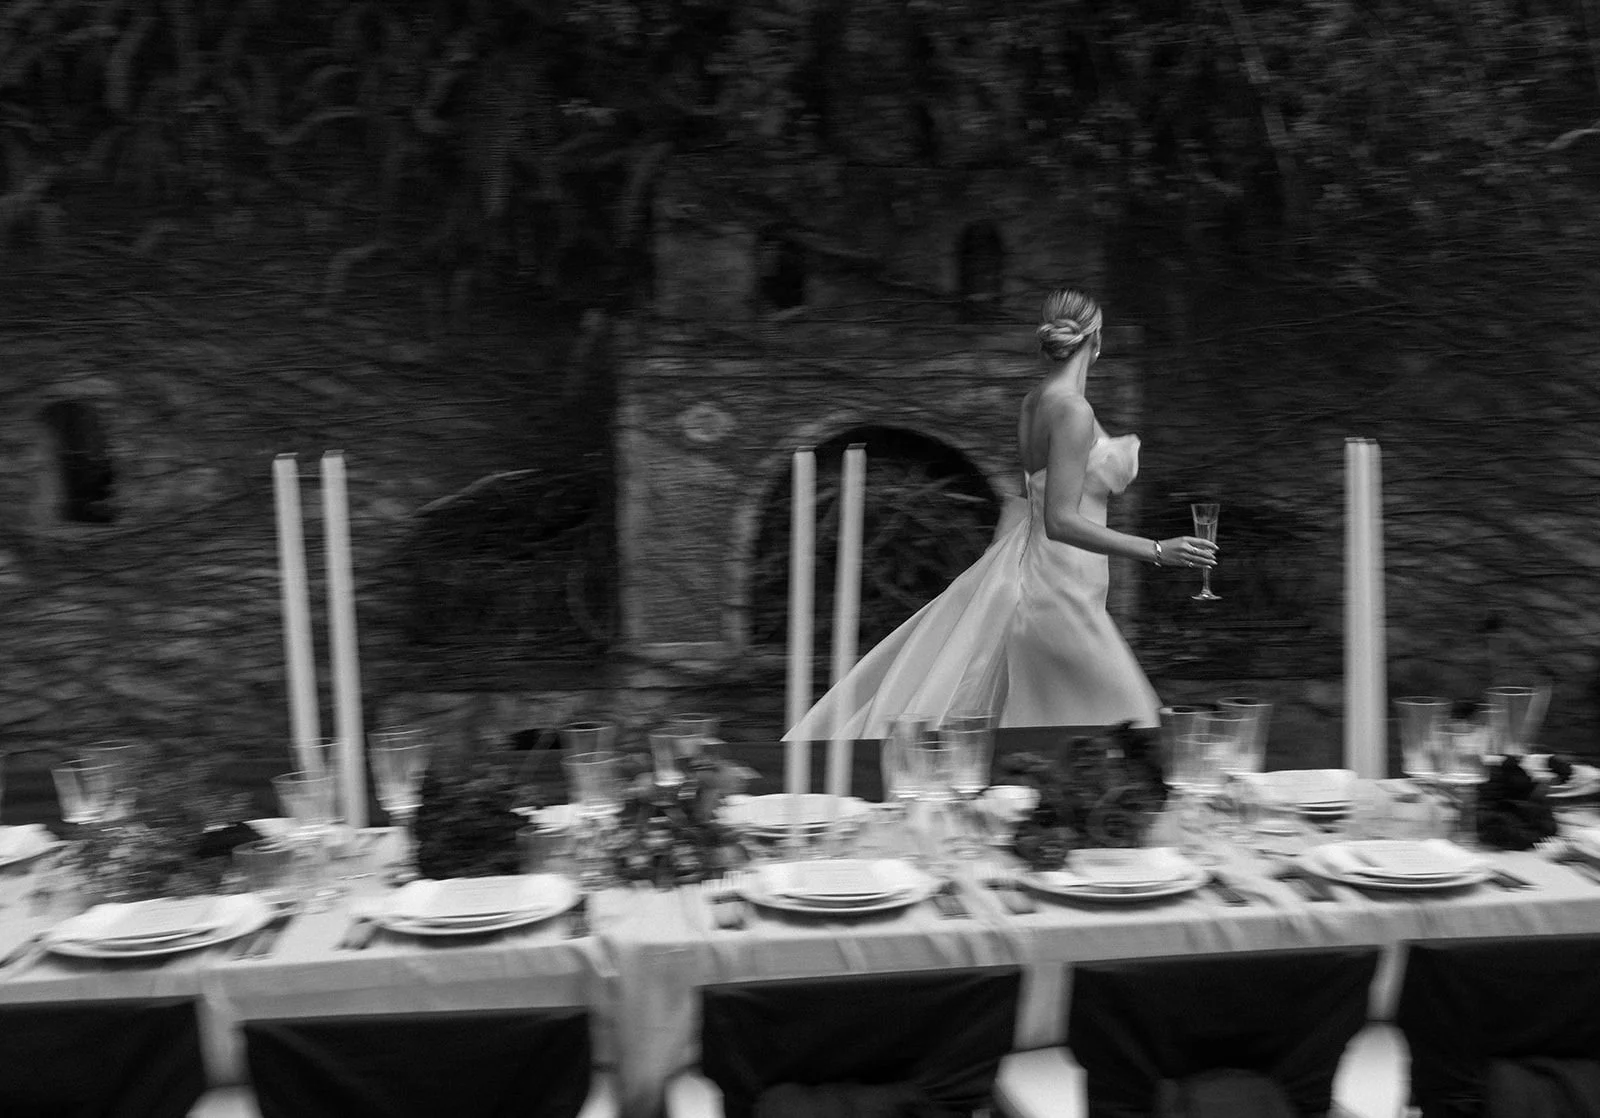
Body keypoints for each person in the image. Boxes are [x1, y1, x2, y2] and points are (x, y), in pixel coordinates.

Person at [784, 289, 1218, 741]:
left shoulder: (1036, 401)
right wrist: (1155, 550)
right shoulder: (1071, 410)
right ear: (1097, 340)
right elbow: (1059, 519)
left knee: (1066, 724)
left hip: (1056, 579)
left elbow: (1026, 497)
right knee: (1132, 726)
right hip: (1059, 588)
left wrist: (996, 566)